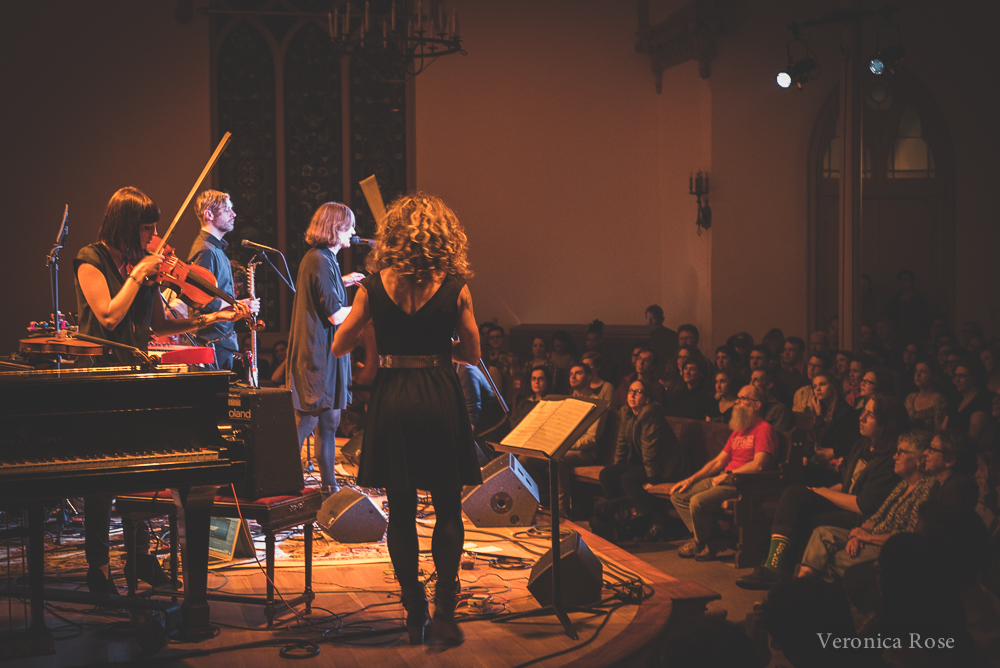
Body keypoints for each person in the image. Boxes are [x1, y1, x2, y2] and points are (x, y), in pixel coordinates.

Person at [75, 187, 250, 595]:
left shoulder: (142, 264)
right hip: (101, 378)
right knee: (101, 481)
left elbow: (155, 326)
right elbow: (108, 315)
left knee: (141, 469)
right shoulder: (90, 259)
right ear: (125, 225)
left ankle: (138, 556)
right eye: (146, 228)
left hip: (136, 376)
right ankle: (97, 568)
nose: (153, 236)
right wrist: (138, 275)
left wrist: (210, 319)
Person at [332, 192, 481, 646]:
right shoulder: (456, 285)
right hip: (438, 392)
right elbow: (473, 353)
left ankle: (413, 606)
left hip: (393, 394)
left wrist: (382, 340)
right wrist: (435, 350)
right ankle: (445, 611)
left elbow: (340, 345)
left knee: (399, 510)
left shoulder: (372, 287)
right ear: (444, 237)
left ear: (393, 236)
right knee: (447, 505)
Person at [736, 394, 909, 591]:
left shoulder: (890, 459)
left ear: (887, 422)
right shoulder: (862, 445)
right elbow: (846, 486)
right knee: (795, 494)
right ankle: (775, 568)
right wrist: (815, 492)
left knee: (800, 517)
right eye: (864, 411)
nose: (861, 418)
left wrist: (823, 493)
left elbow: (864, 505)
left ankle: (777, 569)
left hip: (865, 517)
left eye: (870, 415)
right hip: (848, 503)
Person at [287, 202, 364, 497]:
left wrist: (344, 282)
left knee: (331, 418)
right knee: (308, 417)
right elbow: (333, 314)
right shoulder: (318, 258)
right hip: (317, 351)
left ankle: (329, 486)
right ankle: (284, 481)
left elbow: (326, 292)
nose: (354, 232)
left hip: (330, 350)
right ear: (336, 228)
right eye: (350, 226)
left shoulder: (327, 260)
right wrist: (365, 304)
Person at [797, 430, 935, 581]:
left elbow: (907, 536)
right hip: (870, 537)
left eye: (901, 452)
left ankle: (803, 589)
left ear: (920, 459)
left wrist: (868, 538)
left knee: (827, 559)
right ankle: (802, 586)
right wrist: (859, 534)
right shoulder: (903, 484)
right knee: (821, 533)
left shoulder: (926, 490)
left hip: (886, 548)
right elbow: (877, 516)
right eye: (896, 451)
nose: (895, 456)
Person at [670, 385, 777, 560]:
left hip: (743, 483)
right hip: (726, 478)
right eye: (738, 398)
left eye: (743, 399)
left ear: (757, 405)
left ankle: (702, 541)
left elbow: (759, 465)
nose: (737, 402)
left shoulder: (764, 429)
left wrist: (728, 476)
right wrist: (690, 480)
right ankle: (712, 539)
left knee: (697, 502)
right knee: (679, 496)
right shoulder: (739, 430)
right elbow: (719, 461)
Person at [598, 379, 685, 541]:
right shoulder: (628, 413)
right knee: (607, 475)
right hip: (645, 464)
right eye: (630, 391)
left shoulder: (650, 413)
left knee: (628, 479)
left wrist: (653, 479)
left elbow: (649, 448)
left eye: (638, 392)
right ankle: (622, 515)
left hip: (664, 467)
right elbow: (621, 444)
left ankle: (653, 522)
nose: (632, 395)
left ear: (647, 398)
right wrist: (618, 467)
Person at [186, 190, 259, 370]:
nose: (233, 214)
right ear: (209, 214)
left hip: (221, 344)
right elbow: (200, 301)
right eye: (227, 209)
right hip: (212, 345)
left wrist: (240, 304)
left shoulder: (215, 249)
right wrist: (239, 306)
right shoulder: (206, 251)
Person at [522, 363, 607, 518]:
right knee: (525, 459)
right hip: (561, 448)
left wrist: (563, 445)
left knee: (557, 459)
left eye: (578, 373)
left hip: (584, 453)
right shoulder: (567, 401)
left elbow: (591, 439)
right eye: (571, 373)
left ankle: (562, 509)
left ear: (588, 377)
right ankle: (542, 500)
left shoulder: (597, 403)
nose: (573, 377)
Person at [945, 360, 992, 440]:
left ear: (974, 378)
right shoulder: (957, 400)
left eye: (961, 376)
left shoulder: (981, 401)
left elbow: (971, 439)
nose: (957, 380)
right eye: (955, 376)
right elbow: (943, 429)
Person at [905, 360, 949, 430]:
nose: (918, 375)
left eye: (923, 372)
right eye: (916, 371)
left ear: (934, 377)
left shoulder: (939, 401)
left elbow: (939, 430)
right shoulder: (910, 398)